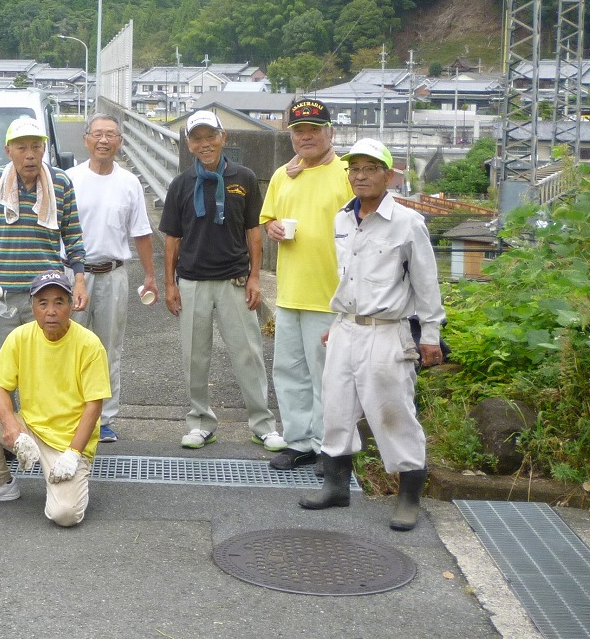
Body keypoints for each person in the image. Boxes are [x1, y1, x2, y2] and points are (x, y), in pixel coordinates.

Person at [298, 139, 444, 532]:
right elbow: (349, 277)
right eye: (354, 169)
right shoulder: (343, 219)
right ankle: (336, 486)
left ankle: (409, 496)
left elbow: (426, 285)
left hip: (387, 331)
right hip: (346, 327)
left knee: (393, 412)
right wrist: (337, 325)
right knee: (336, 407)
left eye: (370, 168)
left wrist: (430, 335)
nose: (360, 176)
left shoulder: (408, 222)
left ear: (388, 175)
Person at [159, 111, 284, 453]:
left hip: (235, 280)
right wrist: (169, 284)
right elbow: (172, 238)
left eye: (210, 136)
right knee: (194, 358)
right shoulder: (181, 184)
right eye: (197, 138)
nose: (205, 144)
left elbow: (253, 231)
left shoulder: (243, 176)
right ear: (189, 144)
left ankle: (262, 425)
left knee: (248, 354)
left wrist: (255, 276)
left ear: (223, 137)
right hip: (192, 282)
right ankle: (200, 423)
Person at [0, 270, 110, 528]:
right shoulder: (20, 336)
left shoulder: (89, 344)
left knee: (65, 515)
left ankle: (72, 471)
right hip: (29, 427)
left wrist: (74, 453)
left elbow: (94, 405)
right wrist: (11, 427)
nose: (50, 311)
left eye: (59, 302)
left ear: (71, 306)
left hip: (66, 441)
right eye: (43, 303)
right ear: (33, 307)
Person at [260, 98, 353, 471]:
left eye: (314, 129)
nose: (306, 137)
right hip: (290, 292)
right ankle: (299, 442)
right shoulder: (285, 174)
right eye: (299, 131)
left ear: (330, 132)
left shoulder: (349, 172)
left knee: (327, 376)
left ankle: (329, 447)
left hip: (331, 294)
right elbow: (268, 219)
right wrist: (273, 228)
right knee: (289, 371)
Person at [66, 113, 156, 444]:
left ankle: (104, 417)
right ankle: (71, 412)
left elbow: (142, 232)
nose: (104, 140)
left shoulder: (129, 182)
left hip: (114, 274)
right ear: (86, 139)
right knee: (67, 346)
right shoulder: (68, 179)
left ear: (120, 142)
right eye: (98, 134)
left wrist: (150, 275)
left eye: (111, 135)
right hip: (73, 274)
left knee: (108, 348)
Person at [0, 117, 87, 366]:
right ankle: (4, 408)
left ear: (44, 149)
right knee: (2, 368)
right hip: (2, 293)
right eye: (21, 147)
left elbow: (73, 236)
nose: (30, 155)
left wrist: (79, 280)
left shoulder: (61, 182)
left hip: (47, 294)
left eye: (36, 147)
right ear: (8, 151)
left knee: (47, 367)